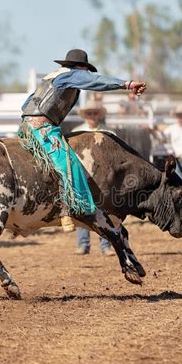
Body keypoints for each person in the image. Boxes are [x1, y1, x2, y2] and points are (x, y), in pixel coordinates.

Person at [19, 48, 146, 232]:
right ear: (79, 67)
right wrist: (127, 84)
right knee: (68, 163)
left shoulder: (51, 78)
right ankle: (71, 209)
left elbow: (26, 105)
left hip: (27, 126)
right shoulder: (71, 75)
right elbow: (95, 81)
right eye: (85, 70)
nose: (86, 74)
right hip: (42, 128)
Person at [71, 100, 115, 256]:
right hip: (83, 175)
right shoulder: (77, 132)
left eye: (94, 113)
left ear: (99, 115)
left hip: (103, 176)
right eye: (89, 113)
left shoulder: (109, 132)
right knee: (84, 209)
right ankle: (83, 244)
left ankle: (106, 245)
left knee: (105, 210)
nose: (92, 116)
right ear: (85, 116)